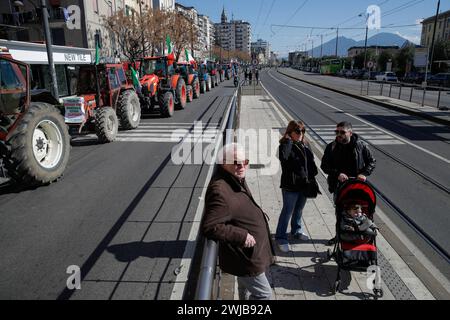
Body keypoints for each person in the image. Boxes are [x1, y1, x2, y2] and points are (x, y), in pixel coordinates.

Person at [201, 143, 275, 300]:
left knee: (245, 288)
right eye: (236, 162)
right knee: (264, 295)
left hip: (250, 254)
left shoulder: (235, 177)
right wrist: (241, 236)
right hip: (246, 257)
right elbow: (210, 226)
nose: (242, 166)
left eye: (245, 162)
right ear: (223, 163)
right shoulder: (220, 190)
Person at [321, 121, 376, 244]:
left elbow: (372, 161)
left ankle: (360, 233)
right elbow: (324, 165)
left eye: (342, 132)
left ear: (350, 133)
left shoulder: (361, 146)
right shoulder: (332, 146)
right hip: (339, 186)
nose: (339, 134)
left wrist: (364, 174)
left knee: (359, 211)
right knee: (340, 211)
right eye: (337, 132)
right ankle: (339, 235)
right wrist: (337, 174)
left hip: (357, 185)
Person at [275, 121, 319, 253]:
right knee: (287, 211)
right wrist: (288, 141)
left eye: (303, 131)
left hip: (304, 184)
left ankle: (296, 230)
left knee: (299, 209)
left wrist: (312, 174)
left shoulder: (305, 144)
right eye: (298, 131)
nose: (301, 134)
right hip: (290, 185)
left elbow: (310, 161)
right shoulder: (285, 145)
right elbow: (284, 157)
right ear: (290, 132)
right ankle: (281, 237)